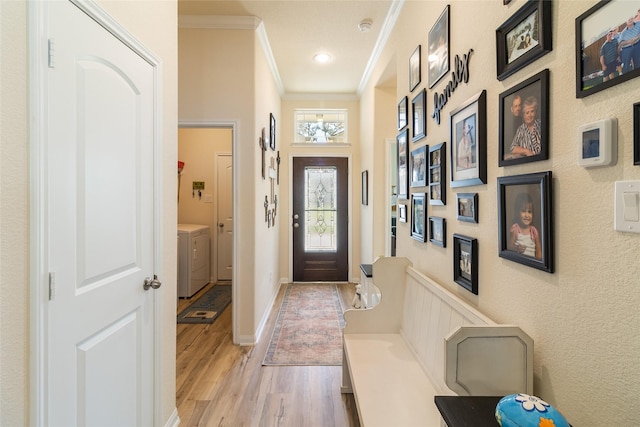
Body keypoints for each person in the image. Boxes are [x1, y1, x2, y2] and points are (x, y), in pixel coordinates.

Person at [508, 193, 541, 260]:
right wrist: (517, 248)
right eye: (523, 211)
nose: (526, 215)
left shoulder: (533, 231)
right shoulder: (515, 228)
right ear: (517, 212)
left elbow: (538, 251)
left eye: (529, 212)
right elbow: (509, 246)